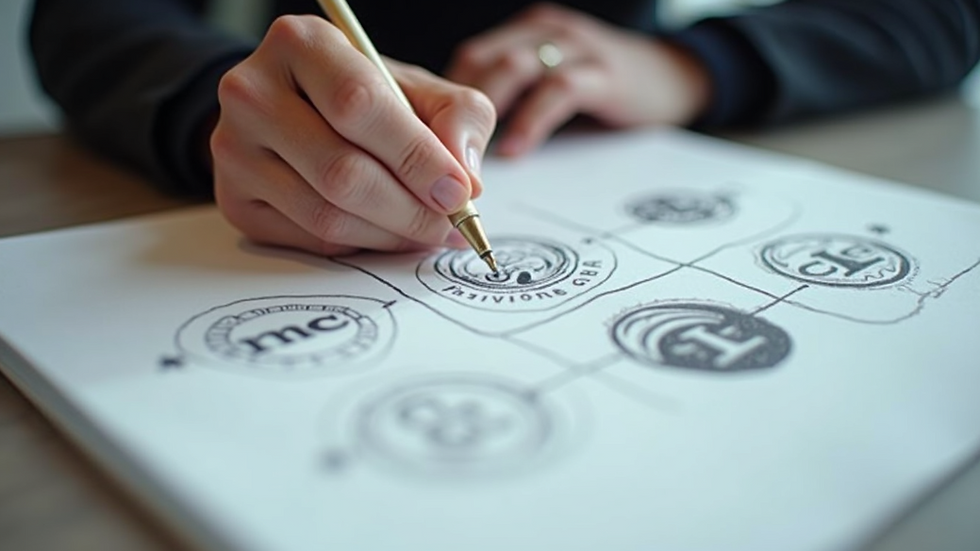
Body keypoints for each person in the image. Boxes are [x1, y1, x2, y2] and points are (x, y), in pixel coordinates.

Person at [30, 0, 980, 256]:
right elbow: (78, 15)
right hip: (282, 156)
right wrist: (216, 101)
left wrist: (696, 66)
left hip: (610, 135)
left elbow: (941, 16)